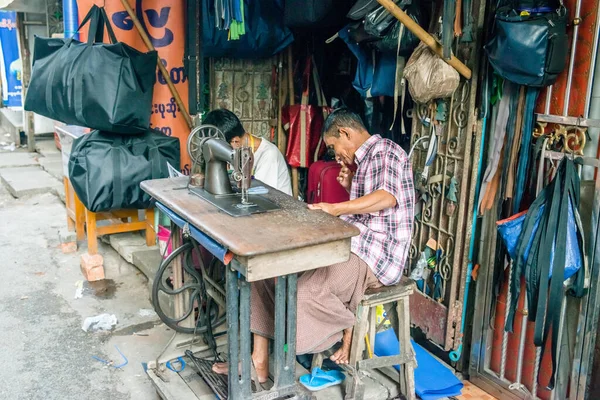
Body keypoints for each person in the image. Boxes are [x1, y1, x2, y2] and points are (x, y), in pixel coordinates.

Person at [212, 107, 414, 382]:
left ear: (345, 132)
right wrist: (351, 184)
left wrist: (336, 207)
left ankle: (348, 325)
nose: (336, 155)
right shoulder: (365, 162)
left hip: (375, 257)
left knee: (303, 292)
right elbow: (373, 208)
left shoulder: (384, 151)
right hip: (352, 245)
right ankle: (258, 362)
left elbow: (388, 197)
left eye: (334, 147)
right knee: (261, 273)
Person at [203, 109, 293, 196]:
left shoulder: (269, 154)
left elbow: (262, 195)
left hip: (279, 207)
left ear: (236, 141)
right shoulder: (236, 149)